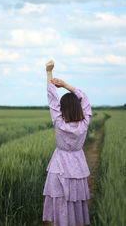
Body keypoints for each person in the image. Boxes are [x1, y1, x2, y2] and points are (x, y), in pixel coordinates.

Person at [42, 60, 93, 226]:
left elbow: (51, 98)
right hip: (78, 164)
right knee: (75, 198)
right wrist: (64, 85)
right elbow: (84, 98)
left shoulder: (59, 122)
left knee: (60, 198)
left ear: (62, 109)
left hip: (60, 165)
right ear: (79, 108)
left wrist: (49, 72)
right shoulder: (84, 123)